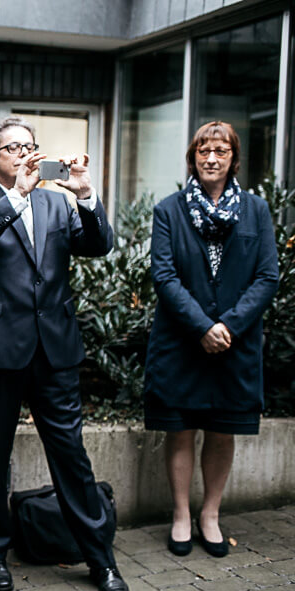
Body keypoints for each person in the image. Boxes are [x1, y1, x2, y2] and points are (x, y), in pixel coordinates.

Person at [0, 116, 130, 591]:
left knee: (70, 454)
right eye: (13, 148)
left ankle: (101, 559)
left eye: (30, 146)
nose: (24, 154)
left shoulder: (57, 201)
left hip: (54, 347)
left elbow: (98, 245)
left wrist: (87, 194)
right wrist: (16, 197)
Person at [145, 121, 278, 558]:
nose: (211, 158)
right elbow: (163, 275)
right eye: (203, 150)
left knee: (223, 431)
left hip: (235, 345)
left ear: (233, 159)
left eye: (221, 151)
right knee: (180, 430)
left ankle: (210, 516)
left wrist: (229, 327)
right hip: (182, 341)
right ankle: (182, 515)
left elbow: (266, 276)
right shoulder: (169, 210)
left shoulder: (257, 211)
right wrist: (202, 326)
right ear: (193, 157)